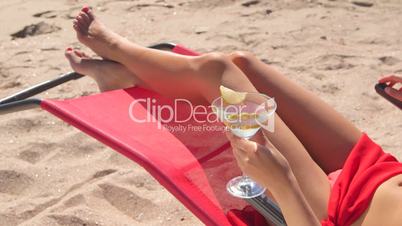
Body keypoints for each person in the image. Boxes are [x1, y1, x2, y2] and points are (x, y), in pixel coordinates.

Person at [65, 6, 402, 226]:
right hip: (378, 171)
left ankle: (116, 50)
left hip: (334, 212)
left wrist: (283, 186)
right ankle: (123, 77)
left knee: (220, 72)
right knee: (243, 64)